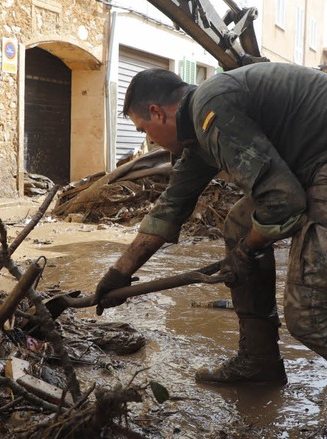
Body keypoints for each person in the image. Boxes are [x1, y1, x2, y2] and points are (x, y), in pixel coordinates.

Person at [95, 63, 327, 386]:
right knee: (238, 226)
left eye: (143, 130)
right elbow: (170, 208)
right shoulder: (198, 131)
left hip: (320, 163)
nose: (149, 141)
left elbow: (283, 201)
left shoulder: (211, 109)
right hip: (310, 162)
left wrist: (249, 250)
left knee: (308, 315)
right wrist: (118, 273)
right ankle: (259, 363)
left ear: (157, 113)